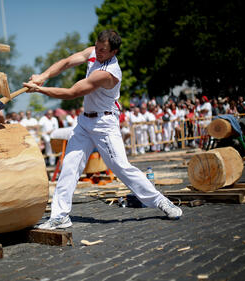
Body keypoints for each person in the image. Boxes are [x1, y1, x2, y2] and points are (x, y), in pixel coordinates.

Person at [22, 29, 182, 229]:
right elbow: (66, 62)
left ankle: (160, 201)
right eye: (97, 47)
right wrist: (42, 76)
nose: (97, 53)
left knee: (121, 167)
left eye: (103, 51)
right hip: (84, 123)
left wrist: (39, 89)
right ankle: (60, 215)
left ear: (113, 52)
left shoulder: (108, 74)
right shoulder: (93, 51)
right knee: (70, 167)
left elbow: (72, 93)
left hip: (104, 125)